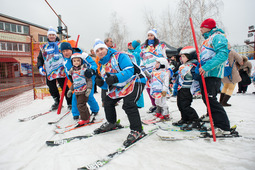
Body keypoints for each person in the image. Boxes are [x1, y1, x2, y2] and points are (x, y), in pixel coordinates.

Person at [93, 39, 147, 147]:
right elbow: (108, 84)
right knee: (108, 100)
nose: (100, 52)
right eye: (97, 50)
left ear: (106, 48)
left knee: (129, 103)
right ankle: (112, 122)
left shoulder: (119, 56)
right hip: (120, 84)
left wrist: (114, 78)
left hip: (135, 80)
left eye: (102, 48)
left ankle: (137, 130)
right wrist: (100, 83)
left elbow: (129, 70)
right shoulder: (103, 65)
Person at [198, 18, 231, 135]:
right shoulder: (207, 40)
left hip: (213, 74)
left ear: (208, 27)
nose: (200, 29)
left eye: (202, 27)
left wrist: (206, 67)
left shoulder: (218, 37)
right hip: (206, 75)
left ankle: (223, 127)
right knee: (207, 99)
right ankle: (214, 121)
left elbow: (222, 55)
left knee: (211, 100)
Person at [60, 42, 99, 120]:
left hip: (88, 79)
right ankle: (76, 114)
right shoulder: (65, 61)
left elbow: (93, 64)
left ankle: (95, 110)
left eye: (67, 50)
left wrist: (91, 70)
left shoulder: (83, 55)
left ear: (71, 49)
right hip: (77, 81)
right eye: (63, 51)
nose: (65, 53)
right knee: (75, 96)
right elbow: (68, 72)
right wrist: (71, 78)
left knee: (88, 96)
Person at [37, 26, 72, 111]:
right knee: (51, 87)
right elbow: (40, 58)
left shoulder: (61, 45)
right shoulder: (44, 47)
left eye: (53, 34)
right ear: (48, 36)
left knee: (64, 86)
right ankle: (57, 102)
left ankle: (70, 102)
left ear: (56, 36)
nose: (52, 36)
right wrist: (40, 67)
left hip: (61, 70)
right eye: (50, 35)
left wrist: (69, 63)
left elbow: (68, 54)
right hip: (49, 71)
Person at [172, 46, 200, 130]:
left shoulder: (193, 66)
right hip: (181, 88)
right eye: (181, 56)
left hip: (188, 89)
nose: (181, 58)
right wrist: (175, 87)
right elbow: (179, 77)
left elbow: (196, 76)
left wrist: (197, 71)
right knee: (180, 104)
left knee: (185, 105)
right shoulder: (183, 65)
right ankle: (185, 118)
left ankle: (195, 120)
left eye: (184, 56)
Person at [140, 28, 167, 113]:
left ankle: (161, 106)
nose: (149, 37)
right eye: (148, 35)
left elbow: (164, 57)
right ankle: (154, 105)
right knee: (149, 88)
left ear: (154, 36)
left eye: (151, 35)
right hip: (147, 71)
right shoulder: (144, 48)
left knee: (157, 88)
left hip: (157, 70)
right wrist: (143, 68)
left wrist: (165, 67)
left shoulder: (160, 46)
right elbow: (142, 59)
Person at [66, 53, 92, 125]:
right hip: (77, 91)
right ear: (72, 62)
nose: (76, 62)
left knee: (80, 105)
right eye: (74, 61)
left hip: (84, 90)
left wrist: (89, 88)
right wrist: (71, 90)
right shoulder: (72, 71)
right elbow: (74, 82)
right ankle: (87, 116)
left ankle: (85, 119)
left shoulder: (84, 70)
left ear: (81, 61)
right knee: (82, 104)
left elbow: (89, 80)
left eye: (78, 60)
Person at [127, 40, 144, 108]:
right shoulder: (138, 51)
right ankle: (139, 102)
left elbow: (133, 62)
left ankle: (139, 103)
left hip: (136, 71)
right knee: (138, 87)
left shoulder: (136, 53)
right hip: (138, 71)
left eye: (132, 45)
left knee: (138, 87)